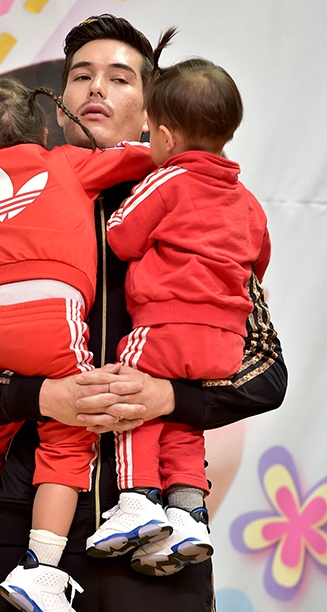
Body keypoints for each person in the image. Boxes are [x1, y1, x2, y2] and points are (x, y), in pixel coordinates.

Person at [0, 14, 287, 612]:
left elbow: (264, 369)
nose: (97, 87)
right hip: (35, 546)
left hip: (159, 544)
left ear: (154, 113)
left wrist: (166, 394)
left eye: (120, 77)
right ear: (58, 110)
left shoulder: (207, 215)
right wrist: (42, 396)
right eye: (81, 76)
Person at [0, 75, 154, 612]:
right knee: (69, 434)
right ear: (50, 126)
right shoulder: (67, 166)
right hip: (52, 326)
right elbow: (143, 159)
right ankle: (43, 569)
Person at [86, 45, 271, 578]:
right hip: (224, 341)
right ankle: (190, 511)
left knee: (130, 392)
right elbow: (257, 262)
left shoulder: (167, 179)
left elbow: (121, 237)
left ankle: (138, 500)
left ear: (161, 135)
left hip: (166, 323)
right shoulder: (248, 200)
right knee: (183, 416)